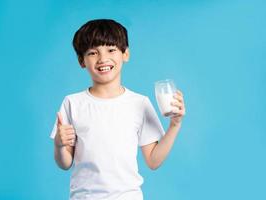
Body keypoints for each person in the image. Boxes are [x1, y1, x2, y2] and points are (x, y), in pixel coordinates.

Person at [50, 19, 186, 200]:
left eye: (111, 49)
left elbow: (153, 160)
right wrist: (59, 145)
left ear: (125, 54)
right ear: (81, 61)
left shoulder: (139, 103)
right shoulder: (73, 103)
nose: (102, 58)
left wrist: (175, 125)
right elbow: (65, 163)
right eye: (92, 52)